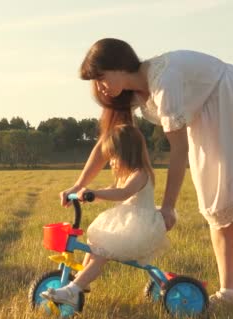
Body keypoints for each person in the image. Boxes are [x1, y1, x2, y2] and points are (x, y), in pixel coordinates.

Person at [60, 38, 233, 309]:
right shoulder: (131, 92)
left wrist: (168, 206)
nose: (99, 87)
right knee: (217, 210)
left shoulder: (163, 81)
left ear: (120, 66)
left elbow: (178, 149)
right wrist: (78, 184)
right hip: (203, 118)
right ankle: (231, 293)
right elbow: (106, 144)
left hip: (226, 104)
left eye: (101, 78)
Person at [41, 125, 170, 307]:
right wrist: (90, 196)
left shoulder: (141, 174)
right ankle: (80, 280)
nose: (111, 162)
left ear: (127, 154)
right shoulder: (127, 175)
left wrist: (94, 192)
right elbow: (112, 190)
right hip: (130, 223)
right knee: (95, 246)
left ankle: (72, 290)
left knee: (101, 253)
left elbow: (123, 193)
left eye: (114, 157)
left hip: (140, 228)